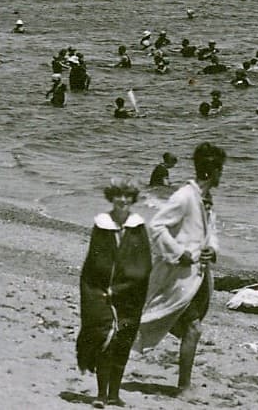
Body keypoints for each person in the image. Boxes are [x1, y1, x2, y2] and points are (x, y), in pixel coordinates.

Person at [134, 142, 226, 399]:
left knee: (182, 325)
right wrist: (178, 252)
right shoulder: (184, 196)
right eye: (220, 170)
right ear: (211, 171)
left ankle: (115, 346)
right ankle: (184, 386)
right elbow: (157, 226)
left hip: (198, 275)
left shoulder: (206, 199)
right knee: (192, 329)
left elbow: (211, 232)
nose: (222, 176)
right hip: (180, 275)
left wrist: (212, 249)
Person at [77, 178, 151, 409]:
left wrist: (121, 287)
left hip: (130, 294)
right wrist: (102, 289)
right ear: (112, 197)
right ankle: (101, 394)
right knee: (105, 340)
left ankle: (115, 394)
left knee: (123, 343)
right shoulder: (102, 225)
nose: (123, 200)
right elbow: (95, 261)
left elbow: (143, 265)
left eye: (127, 196)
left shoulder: (138, 227)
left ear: (132, 200)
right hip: (100, 292)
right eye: (118, 195)